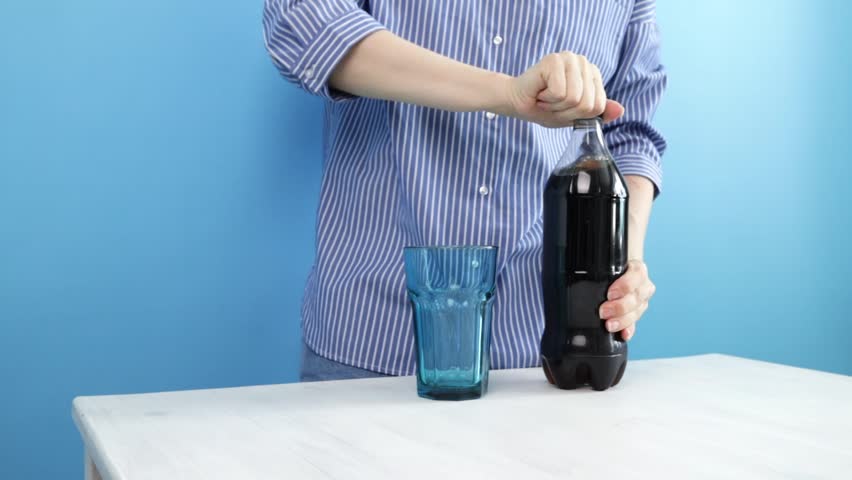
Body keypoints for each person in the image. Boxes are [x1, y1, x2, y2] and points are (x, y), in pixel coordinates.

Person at [263, 0, 665, 381]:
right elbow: (303, 21)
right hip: (373, 337)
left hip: (542, 352)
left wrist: (624, 260)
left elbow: (628, 133)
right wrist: (505, 94)